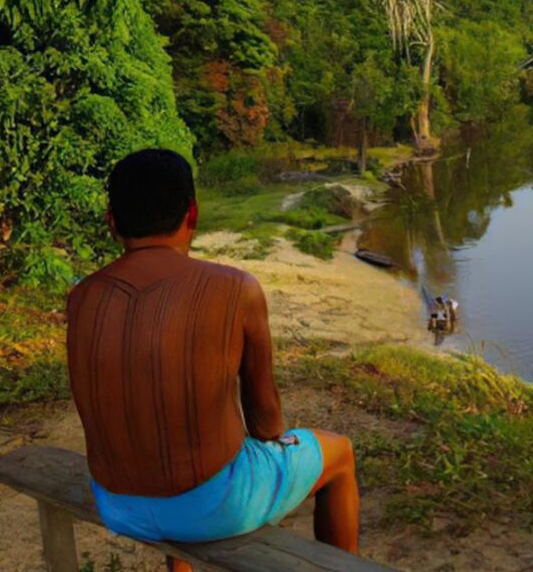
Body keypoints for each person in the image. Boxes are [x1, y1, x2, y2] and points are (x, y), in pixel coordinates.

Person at [66, 149, 360, 571]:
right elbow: (266, 422)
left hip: (118, 504)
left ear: (112, 221)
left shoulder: (82, 297)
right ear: (193, 213)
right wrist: (276, 440)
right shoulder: (234, 288)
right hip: (215, 506)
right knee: (340, 454)